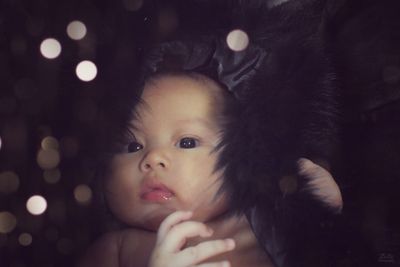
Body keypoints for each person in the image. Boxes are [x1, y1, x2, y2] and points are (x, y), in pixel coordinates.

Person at [79, 29, 343, 266]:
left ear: (243, 155)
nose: (153, 158)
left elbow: (320, 244)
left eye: (187, 142)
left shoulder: (260, 223)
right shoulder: (116, 250)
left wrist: (311, 198)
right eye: (133, 145)